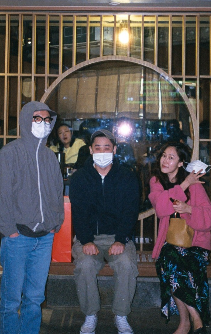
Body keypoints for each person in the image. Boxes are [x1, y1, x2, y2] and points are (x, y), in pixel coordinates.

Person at [0, 101, 65, 333]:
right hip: (18, 237)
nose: (43, 123)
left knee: (35, 298)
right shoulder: (10, 153)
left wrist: (55, 223)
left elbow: (57, 192)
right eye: (37, 119)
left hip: (44, 238)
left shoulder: (49, 157)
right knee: (11, 300)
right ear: (26, 120)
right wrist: (9, 230)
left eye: (47, 120)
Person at [69, 129, 140, 334]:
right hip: (88, 238)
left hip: (117, 237)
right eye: (97, 148)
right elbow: (78, 212)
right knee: (84, 265)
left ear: (114, 150)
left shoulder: (127, 177)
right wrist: (85, 240)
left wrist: (121, 239)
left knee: (126, 264)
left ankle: (121, 315)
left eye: (106, 147)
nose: (102, 152)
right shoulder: (80, 178)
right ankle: (90, 315)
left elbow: (130, 211)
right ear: (91, 150)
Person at [148, 142, 211, 334]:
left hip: (195, 244)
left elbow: (209, 218)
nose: (165, 160)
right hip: (169, 243)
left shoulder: (196, 186)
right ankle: (196, 320)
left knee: (174, 264)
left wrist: (189, 209)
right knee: (171, 258)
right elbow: (161, 208)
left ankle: (185, 324)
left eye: (171, 157)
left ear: (180, 163)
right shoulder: (156, 181)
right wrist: (185, 184)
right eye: (163, 156)